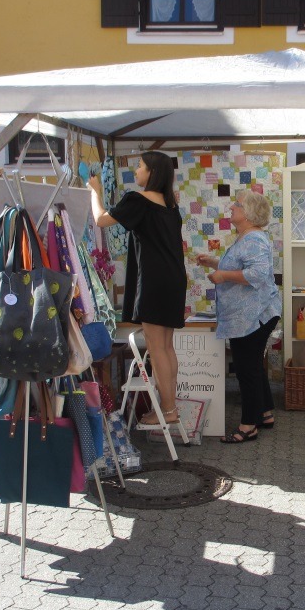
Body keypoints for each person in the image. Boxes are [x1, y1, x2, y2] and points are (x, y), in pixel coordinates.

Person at [89, 151, 184, 426]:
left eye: (140, 167)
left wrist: (94, 192)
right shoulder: (170, 205)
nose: (137, 171)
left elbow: (101, 220)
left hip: (155, 282)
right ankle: (169, 407)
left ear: (152, 172)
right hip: (173, 279)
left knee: (157, 349)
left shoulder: (139, 201)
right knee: (166, 347)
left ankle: (167, 411)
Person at [196, 190, 281, 444]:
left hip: (254, 316)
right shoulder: (247, 237)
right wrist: (214, 263)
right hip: (250, 315)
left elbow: (256, 274)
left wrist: (222, 276)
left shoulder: (253, 239)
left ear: (249, 213)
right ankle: (264, 413)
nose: (231, 206)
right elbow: (240, 266)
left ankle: (248, 426)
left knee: (246, 369)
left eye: (237, 204)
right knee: (252, 365)